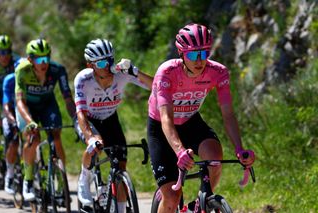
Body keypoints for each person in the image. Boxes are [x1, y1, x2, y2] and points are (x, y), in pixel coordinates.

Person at [147, 23, 255, 213]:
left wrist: (239, 149)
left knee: (215, 158)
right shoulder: (167, 72)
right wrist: (179, 151)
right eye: (193, 55)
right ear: (181, 54)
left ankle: (200, 205)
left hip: (190, 121)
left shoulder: (218, 72)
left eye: (204, 53)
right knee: (172, 199)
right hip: (162, 127)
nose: (199, 61)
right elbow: (165, 119)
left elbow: (228, 115)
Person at [74, 38, 152, 211]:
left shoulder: (121, 73)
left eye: (110, 59)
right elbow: (80, 113)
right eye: (101, 62)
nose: (107, 65)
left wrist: (135, 71)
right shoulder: (83, 79)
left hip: (110, 119)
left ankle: (121, 208)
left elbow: (156, 86)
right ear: (90, 65)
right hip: (88, 119)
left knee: (121, 165)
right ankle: (84, 177)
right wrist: (90, 138)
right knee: (95, 144)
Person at [15, 38, 76, 201]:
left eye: (47, 58)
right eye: (39, 59)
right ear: (30, 59)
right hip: (28, 107)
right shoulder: (22, 70)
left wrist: (76, 118)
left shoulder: (58, 70)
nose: (44, 63)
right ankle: (27, 180)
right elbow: (20, 101)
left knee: (56, 138)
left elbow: (68, 98)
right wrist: (29, 121)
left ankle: (62, 186)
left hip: (48, 105)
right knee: (33, 139)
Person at [2, 73, 18, 194]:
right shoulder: (9, 81)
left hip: (24, 114)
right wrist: (12, 121)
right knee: (13, 141)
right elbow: (6, 105)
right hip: (10, 114)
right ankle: (10, 174)